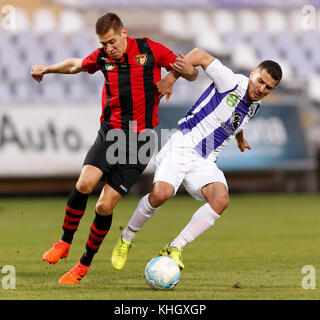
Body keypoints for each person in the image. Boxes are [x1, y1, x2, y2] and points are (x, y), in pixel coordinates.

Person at [30, 12, 197, 284]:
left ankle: (82, 266)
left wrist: (172, 78)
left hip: (139, 142)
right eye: (104, 44)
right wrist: (46, 69)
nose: (109, 48)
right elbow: (75, 66)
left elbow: (191, 71)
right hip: (110, 132)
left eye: (112, 42)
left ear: (124, 33)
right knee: (84, 183)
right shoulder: (102, 57)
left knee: (104, 207)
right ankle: (64, 242)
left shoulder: (149, 49)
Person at [111, 48, 282, 270]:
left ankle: (175, 247)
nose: (261, 89)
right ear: (252, 74)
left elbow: (236, 119)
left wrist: (240, 137)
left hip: (205, 160)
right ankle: (127, 238)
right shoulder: (230, 82)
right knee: (160, 195)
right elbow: (199, 55)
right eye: (260, 81)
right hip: (183, 146)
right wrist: (170, 78)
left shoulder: (254, 105)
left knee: (221, 200)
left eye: (268, 87)